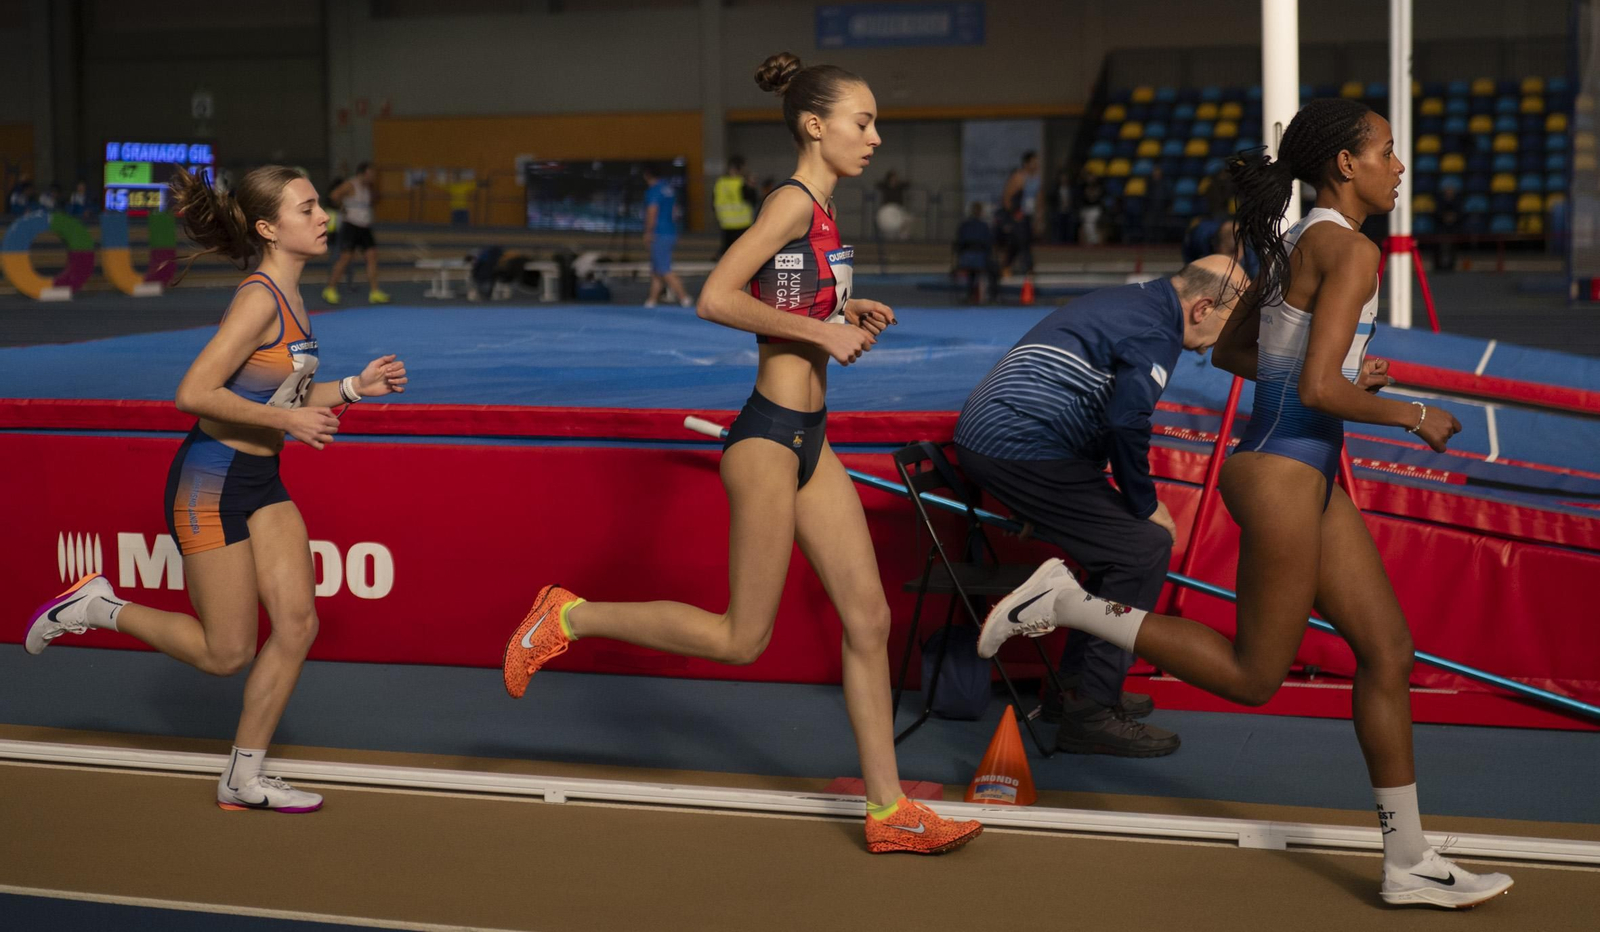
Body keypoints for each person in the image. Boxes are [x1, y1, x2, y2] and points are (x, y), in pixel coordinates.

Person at [977, 99, 1513, 909]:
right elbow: (1318, 384)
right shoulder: (1352, 252)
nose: (1399, 167)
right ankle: (1068, 602)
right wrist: (1410, 412)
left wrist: (1340, 374)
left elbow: (1237, 349)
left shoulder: (1300, 242)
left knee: (1389, 651)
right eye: (1388, 152)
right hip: (1286, 473)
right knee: (1255, 673)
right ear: (1346, 165)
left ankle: (1408, 859)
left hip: (1300, 464)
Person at [501, 51, 982, 855]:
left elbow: (785, 297)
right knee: (740, 638)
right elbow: (716, 297)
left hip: (810, 438)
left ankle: (889, 809)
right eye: (863, 123)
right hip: (766, 440)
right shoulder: (794, 201)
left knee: (868, 616)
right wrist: (823, 330)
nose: (876, 137)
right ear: (815, 125)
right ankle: (568, 614)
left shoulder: (822, 211)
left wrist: (842, 306)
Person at [25, 163, 409, 813]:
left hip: (260, 478)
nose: (324, 217)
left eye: (320, 205)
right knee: (227, 651)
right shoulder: (259, 297)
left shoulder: (292, 294)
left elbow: (277, 387)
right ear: (268, 227)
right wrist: (288, 419)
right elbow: (194, 393)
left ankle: (244, 775)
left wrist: (351, 389)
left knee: (297, 623)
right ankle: (94, 607)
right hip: (209, 482)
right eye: (308, 207)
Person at [955, 255, 1244, 756]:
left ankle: (1075, 689)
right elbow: (1125, 423)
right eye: (1227, 324)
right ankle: (1090, 710)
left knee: (1118, 547)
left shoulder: (1137, 300)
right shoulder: (1157, 330)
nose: (1221, 340)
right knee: (1144, 548)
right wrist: (1144, 502)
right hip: (1017, 445)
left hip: (1011, 439)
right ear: (1202, 308)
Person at [322, 162, 388, 305]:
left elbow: (375, 201)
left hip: (364, 226)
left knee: (372, 257)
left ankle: (375, 291)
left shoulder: (367, 187)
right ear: (363, 173)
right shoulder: (350, 185)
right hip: (351, 225)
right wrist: (342, 208)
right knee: (345, 258)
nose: (373, 177)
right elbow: (334, 195)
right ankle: (330, 289)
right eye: (370, 174)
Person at [642, 165, 691, 308]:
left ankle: (684, 297)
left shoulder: (653, 191)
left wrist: (648, 232)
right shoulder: (669, 190)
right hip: (670, 231)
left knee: (664, 269)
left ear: (647, 176)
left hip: (659, 233)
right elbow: (675, 212)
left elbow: (652, 212)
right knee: (657, 270)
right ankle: (651, 301)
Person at [713, 155, 759, 259]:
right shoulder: (742, 183)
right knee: (742, 252)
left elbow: (714, 201)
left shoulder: (720, 182)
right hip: (742, 222)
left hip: (725, 222)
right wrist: (751, 186)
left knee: (727, 251)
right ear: (740, 168)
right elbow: (753, 200)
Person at [952, 200, 998, 304]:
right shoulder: (984, 226)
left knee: (972, 271)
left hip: (966, 259)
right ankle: (991, 296)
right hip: (979, 259)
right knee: (992, 269)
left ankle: (970, 294)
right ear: (981, 212)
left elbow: (959, 243)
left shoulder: (964, 226)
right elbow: (989, 244)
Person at [874, 169, 912, 239]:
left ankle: (903, 239)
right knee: (888, 225)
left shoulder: (900, 186)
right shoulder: (885, 186)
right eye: (892, 178)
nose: (894, 179)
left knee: (908, 219)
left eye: (895, 178)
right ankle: (887, 240)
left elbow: (908, 184)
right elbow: (877, 184)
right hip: (887, 209)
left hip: (898, 208)